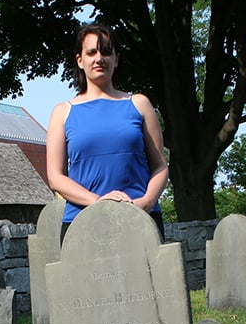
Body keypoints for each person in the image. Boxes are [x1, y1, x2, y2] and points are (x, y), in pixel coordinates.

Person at [46, 23, 169, 243]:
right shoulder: (62, 112)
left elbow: (160, 167)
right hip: (82, 222)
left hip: (140, 218)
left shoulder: (139, 104)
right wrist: (98, 202)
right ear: (80, 60)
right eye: (91, 52)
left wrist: (146, 203)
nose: (99, 58)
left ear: (116, 59)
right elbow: (55, 177)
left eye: (106, 52)